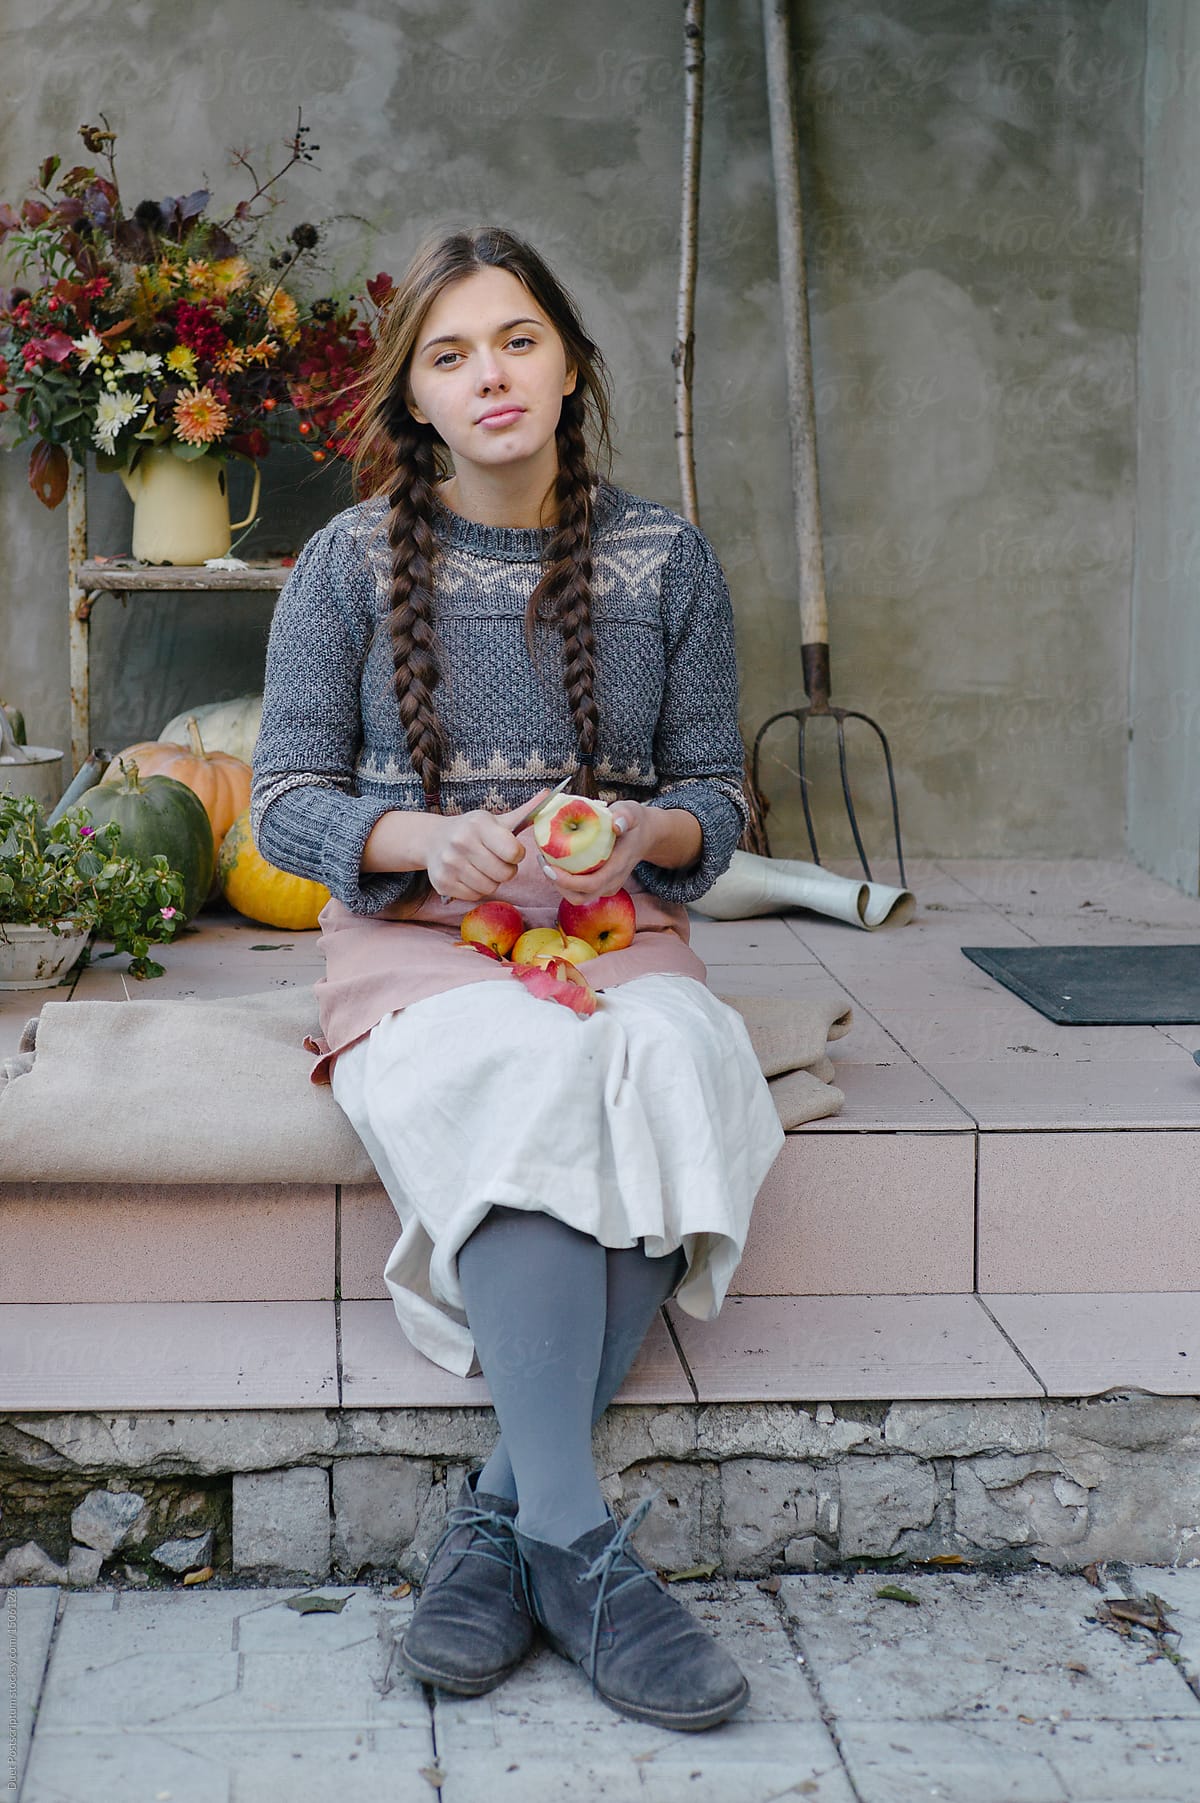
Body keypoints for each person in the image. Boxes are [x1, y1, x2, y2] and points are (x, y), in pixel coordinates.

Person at [250, 224, 786, 1733]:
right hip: (414, 948)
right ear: (414, 398)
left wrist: (641, 834)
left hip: (618, 932)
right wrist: (426, 838)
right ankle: (583, 1550)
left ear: (569, 364)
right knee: (536, 1071)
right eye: (450, 353)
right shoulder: (346, 564)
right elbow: (283, 795)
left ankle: (505, 1522)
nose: (490, 374)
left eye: (517, 341)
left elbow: (716, 803)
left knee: (675, 1065)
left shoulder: (668, 559)